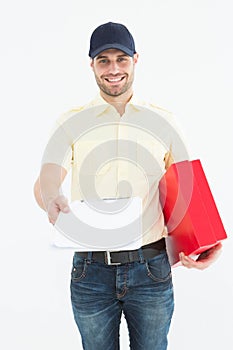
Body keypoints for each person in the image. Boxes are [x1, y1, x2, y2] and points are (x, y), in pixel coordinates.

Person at [34, 22, 222, 350]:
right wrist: (51, 198)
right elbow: (48, 177)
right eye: (103, 60)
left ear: (135, 59)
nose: (113, 69)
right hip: (91, 271)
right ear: (91, 65)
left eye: (121, 58)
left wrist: (206, 244)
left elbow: (189, 191)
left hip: (151, 269)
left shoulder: (164, 121)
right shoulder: (71, 121)